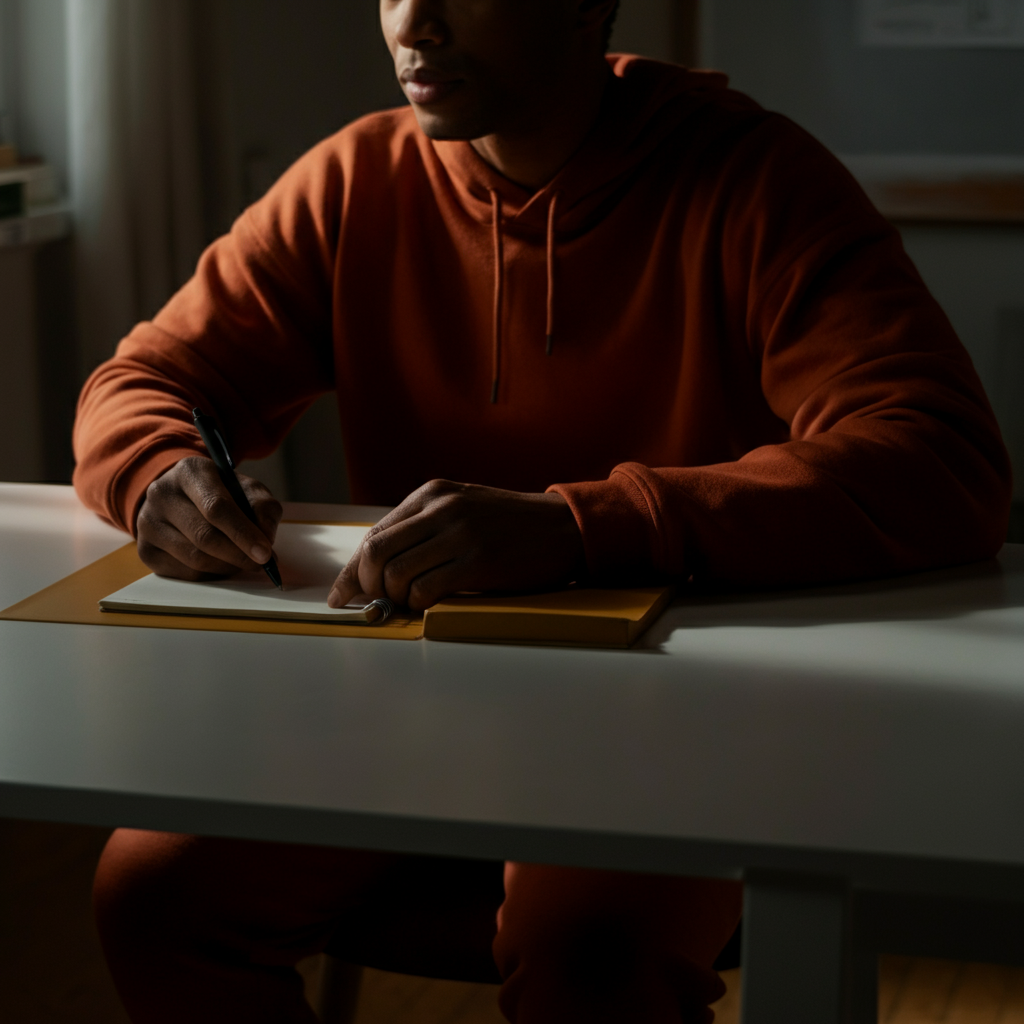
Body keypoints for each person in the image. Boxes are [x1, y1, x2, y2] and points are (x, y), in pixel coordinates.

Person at [73, 0, 1011, 1021]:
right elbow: (145, 380)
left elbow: (941, 460)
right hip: (408, 699)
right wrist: (158, 470)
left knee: (586, 954)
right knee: (155, 893)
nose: (412, 23)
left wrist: (579, 526)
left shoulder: (754, 178)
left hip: (687, 709)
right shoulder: (356, 179)